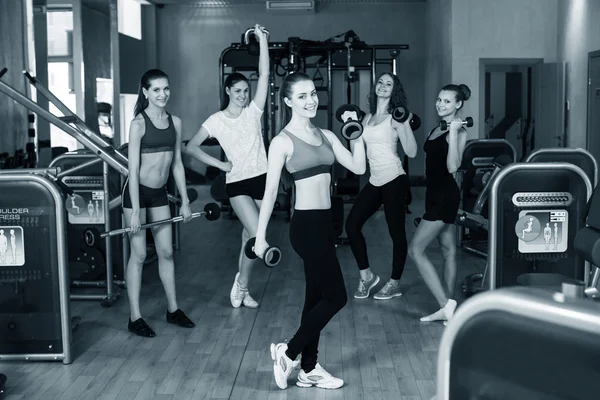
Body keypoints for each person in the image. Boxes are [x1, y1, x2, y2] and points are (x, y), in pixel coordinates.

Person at [253, 72, 366, 390]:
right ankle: (288, 352)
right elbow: (271, 192)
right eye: (302, 96)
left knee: (315, 296)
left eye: (313, 93)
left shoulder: (328, 135)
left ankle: (309, 368)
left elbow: (358, 168)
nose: (311, 100)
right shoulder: (282, 142)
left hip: (327, 223)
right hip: (305, 227)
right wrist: (260, 236)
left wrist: (355, 134)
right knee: (337, 296)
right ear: (288, 101)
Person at [184, 24, 270, 309]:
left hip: (262, 178)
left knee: (249, 237)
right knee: (258, 237)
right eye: (238, 91)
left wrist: (263, 41)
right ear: (228, 91)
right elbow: (191, 146)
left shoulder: (253, 113)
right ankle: (241, 285)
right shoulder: (216, 120)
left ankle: (242, 286)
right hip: (237, 183)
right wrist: (220, 163)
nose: (243, 95)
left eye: (246, 90)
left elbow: (266, 74)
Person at [123, 68, 195, 338]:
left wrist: (185, 201)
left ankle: (173, 310)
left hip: (160, 194)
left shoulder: (175, 122)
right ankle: (134, 316)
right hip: (136, 195)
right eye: (156, 90)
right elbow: (133, 170)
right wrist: (134, 212)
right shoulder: (138, 124)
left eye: (166, 88)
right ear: (145, 92)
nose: (163, 94)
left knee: (166, 252)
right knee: (139, 254)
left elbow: (176, 163)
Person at [345, 72, 417, 300]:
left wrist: (404, 125)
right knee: (352, 225)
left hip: (394, 179)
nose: (383, 86)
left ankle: (394, 283)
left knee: (396, 233)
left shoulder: (395, 118)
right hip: (374, 180)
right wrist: (350, 125)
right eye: (380, 82)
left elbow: (412, 152)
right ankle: (366, 277)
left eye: (388, 84)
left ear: (394, 91)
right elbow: (355, 147)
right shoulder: (366, 118)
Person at [407, 83, 471, 326]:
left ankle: (446, 305)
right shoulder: (437, 127)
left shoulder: (459, 130)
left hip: (445, 196)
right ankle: (448, 306)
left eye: (446, 101)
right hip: (435, 193)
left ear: (458, 104)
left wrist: (454, 133)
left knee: (416, 250)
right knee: (448, 250)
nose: (440, 104)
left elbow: (453, 166)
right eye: (439, 100)